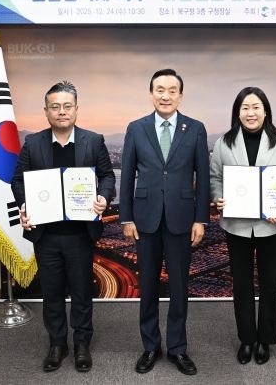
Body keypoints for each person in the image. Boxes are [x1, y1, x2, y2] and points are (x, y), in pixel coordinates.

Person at [11, 81, 115, 373]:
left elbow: (108, 176)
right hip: (46, 234)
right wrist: (25, 205)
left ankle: (82, 344)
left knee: (82, 292)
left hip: (80, 234)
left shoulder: (93, 141)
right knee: (52, 293)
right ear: (46, 111)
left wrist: (103, 197)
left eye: (67, 106)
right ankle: (57, 344)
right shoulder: (33, 143)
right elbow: (18, 180)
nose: (61, 112)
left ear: (76, 109)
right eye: (55, 107)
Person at [120, 68, 210, 376]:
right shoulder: (136, 128)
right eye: (160, 89)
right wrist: (126, 217)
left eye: (172, 90)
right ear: (151, 94)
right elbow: (127, 176)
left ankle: (178, 348)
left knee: (179, 287)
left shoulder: (195, 129)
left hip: (182, 219)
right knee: (147, 286)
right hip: (145, 219)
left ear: (180, 96)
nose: (166, 95)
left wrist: (201, 219)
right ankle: (150, 346)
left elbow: (203, 177)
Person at [209, 87, 276, 365]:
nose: (251, 113)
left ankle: (266, 339)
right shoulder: (224, 142)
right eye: (245, 108)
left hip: (272, 226)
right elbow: (215, 178)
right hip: (237, 225)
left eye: (256, 107)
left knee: (270, 284)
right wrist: (218, 197)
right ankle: (247, 339)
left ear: (265, 111)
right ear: (237, 113)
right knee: (241, 284)